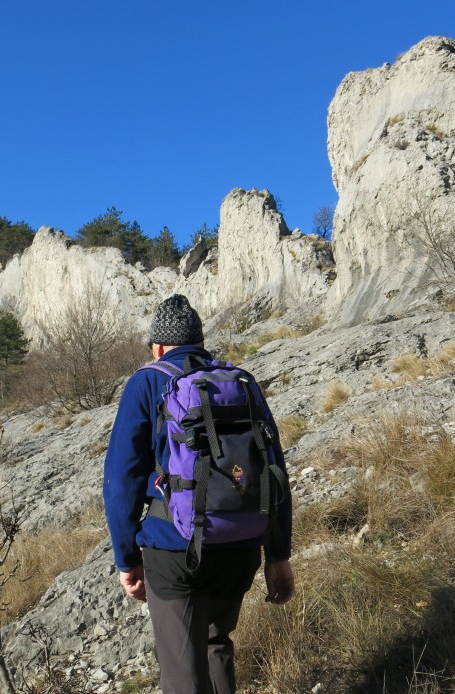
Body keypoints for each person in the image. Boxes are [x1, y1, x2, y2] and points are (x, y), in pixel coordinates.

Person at [103, 294, 295, 694]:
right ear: (200, 341)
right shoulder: (240, 382)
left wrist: (127, 559)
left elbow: (122, 478)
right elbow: (275, 470)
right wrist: (278, 555)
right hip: (240, 542)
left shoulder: (146, 381)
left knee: (180, 671)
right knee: (216, 644)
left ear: (157, 346)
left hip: (173, 548)